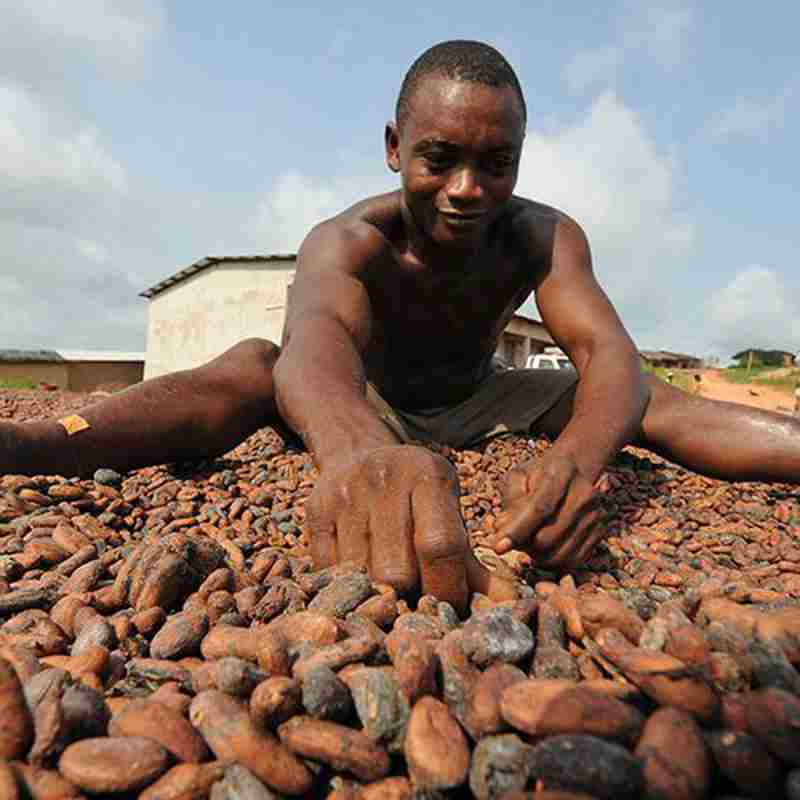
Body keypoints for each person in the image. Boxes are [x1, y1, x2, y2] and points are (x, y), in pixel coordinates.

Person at [2, 40, 799, 614]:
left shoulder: (544, 236)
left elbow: (607, 355)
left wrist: (576, 466)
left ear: (520, 158)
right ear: (393, 148)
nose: (466, 189)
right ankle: (41, 442)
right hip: (368, 401)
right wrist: (360, 455)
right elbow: (315, 358)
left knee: (640, 396)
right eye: (440, 158)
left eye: (496, 164)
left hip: (479, 395)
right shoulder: (350, 240)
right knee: (254, 362)